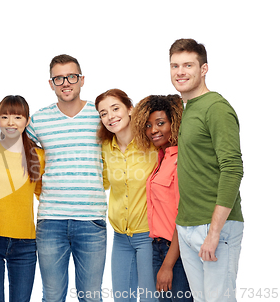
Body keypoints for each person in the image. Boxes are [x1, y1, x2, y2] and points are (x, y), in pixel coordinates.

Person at [26, 54, 107, 302]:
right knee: (52, 296)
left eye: (71, 76)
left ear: (81, 80)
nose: (65, 83)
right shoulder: (39, 119)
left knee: (91, 296)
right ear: (51, 83)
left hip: (91, 219)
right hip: (51, 220)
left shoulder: (100, 114)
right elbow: (12, 142)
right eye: (58, 78)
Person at [169, 38, 244, 302]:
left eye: (188, 65)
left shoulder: (216, 108)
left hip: (214, 227)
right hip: (188, 226)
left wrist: (213, 232)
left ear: (204, 69)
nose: (180, 72)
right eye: (175, 65)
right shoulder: (188, 109)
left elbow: (233, 169)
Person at [0, 95, 45, 302]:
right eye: (5, 117)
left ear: (26, 121)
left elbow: (45, 194)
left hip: (25, 242)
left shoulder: (39, 156)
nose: (10, 123)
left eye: (17, 117)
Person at [95, 89, 158, 302]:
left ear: (130, 109)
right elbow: (101, 183)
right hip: (120, 237)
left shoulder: (152, 144)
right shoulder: (105, 148)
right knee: (122, 299)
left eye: (115, 108)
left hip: (149, 237)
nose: (110, 116)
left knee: (150, 298)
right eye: (103, 113)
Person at [131, 95, 192, 301]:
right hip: (157, 247)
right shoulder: (160, 158)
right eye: (148, 125)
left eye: (160, 123)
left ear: (174, 123)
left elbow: (182, 217)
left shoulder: (181, 160)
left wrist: (168, 265)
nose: (153, 130)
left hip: (176, 252)